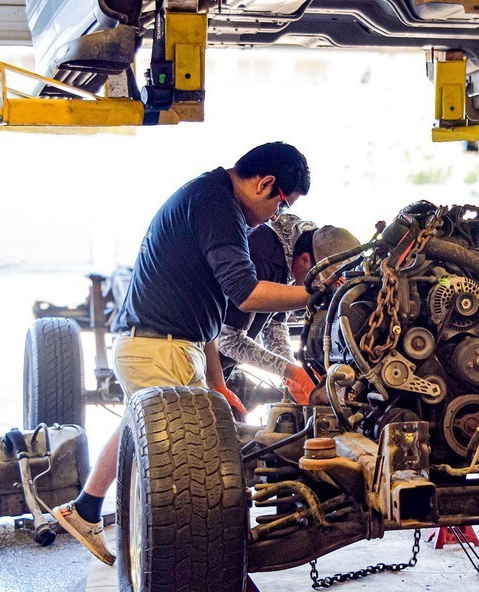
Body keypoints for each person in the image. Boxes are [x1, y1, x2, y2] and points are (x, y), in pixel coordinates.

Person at [52, 142, 313, 565]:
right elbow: (246, 296)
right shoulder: (216, 205)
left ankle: (85, 509)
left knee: (145, 436)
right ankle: (181, 573)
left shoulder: (212, 201)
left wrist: (216, 382)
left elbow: (205, 315)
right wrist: (317, 295)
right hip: (158, 347)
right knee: (179, 471)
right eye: (281, 206)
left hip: (168, 346)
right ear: (266, 184)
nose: (276, 218)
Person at [216, 215, 360, 417]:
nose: (316, 290)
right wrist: (294, 373)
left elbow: (274, 325)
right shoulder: (261, 256)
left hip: (218, 364)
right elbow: (228, 340)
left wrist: (291, 373)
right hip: (199, 359)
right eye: (319, 283)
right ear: (304, 260)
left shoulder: (290, 254)